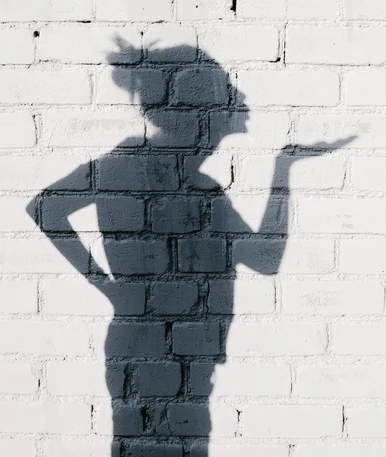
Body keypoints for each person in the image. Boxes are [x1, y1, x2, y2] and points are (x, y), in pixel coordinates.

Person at [27, 39, 351, 456]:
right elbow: (46, 207)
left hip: (184, 359)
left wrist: (282, 169)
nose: (235, 108)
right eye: (225, 100)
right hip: (152, 353)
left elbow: (264, 259)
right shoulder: (135, 166)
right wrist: (106, 286)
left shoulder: (201, 189)